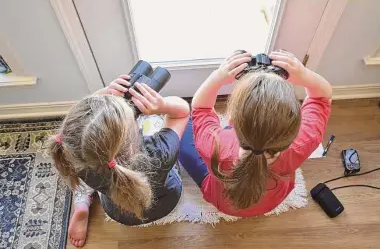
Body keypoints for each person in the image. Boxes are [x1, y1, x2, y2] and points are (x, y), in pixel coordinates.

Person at [179, 50, 332, 216]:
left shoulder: (215, 144)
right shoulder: (304, 141)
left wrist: (218, 77)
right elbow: (321, 96)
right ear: (295, 127)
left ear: (231, 120)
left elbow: (201, 107)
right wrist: (304, 75)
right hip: (271, 202)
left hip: (222, 202)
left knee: (182, 125)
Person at [49, 76, 190, 247]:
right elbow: (181, 113)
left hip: (117, 211)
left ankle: (82, 203)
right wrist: (161, 106)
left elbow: (83, 129)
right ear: (135, 137)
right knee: (158, 126)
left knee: (86, 163)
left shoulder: (71, 151)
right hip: (163, 204)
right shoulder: (158, 153)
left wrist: (103, 95)